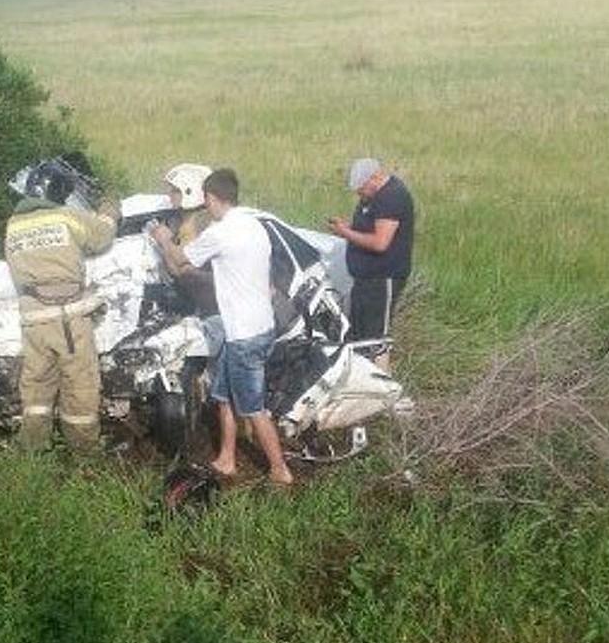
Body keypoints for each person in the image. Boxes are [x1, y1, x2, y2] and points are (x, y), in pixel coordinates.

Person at [152, 168, 293, 486]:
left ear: (212, 198)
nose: (205, 206)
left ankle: (280, 470)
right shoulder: (254, 225)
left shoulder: (221, 232)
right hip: (253, 326)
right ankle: (227, 459)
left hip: (244, 335)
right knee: (225, 397)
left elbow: (180, 262)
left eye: (207, 200)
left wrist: (163, 240)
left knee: (254, 408)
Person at [4, 160, 119, 452]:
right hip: (68, 320)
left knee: (36, 390)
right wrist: (109, 209)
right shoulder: (66, 217)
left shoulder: (13, 225)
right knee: (80, 388)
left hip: (33, 323)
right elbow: (102, 238)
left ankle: (33, 452)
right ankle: (83, 455)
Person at [327, 158, 414, 371]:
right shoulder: (372, 198)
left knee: (376, 337)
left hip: (383, 278)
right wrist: (348, 226)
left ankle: (382, 386)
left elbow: (380, 242)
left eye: (362, 189)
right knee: (359, 334)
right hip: (364, 278)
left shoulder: (392, 197)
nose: (360, 194)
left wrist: (345, 233)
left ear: (375, 178)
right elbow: (368, 228)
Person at [160, 163, 218, 318]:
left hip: (204, 306)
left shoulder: (196, 224)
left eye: (175, 191)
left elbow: (180, 271)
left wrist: (164, 240)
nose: (170, 195)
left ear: (190, 192)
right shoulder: (197, 218)